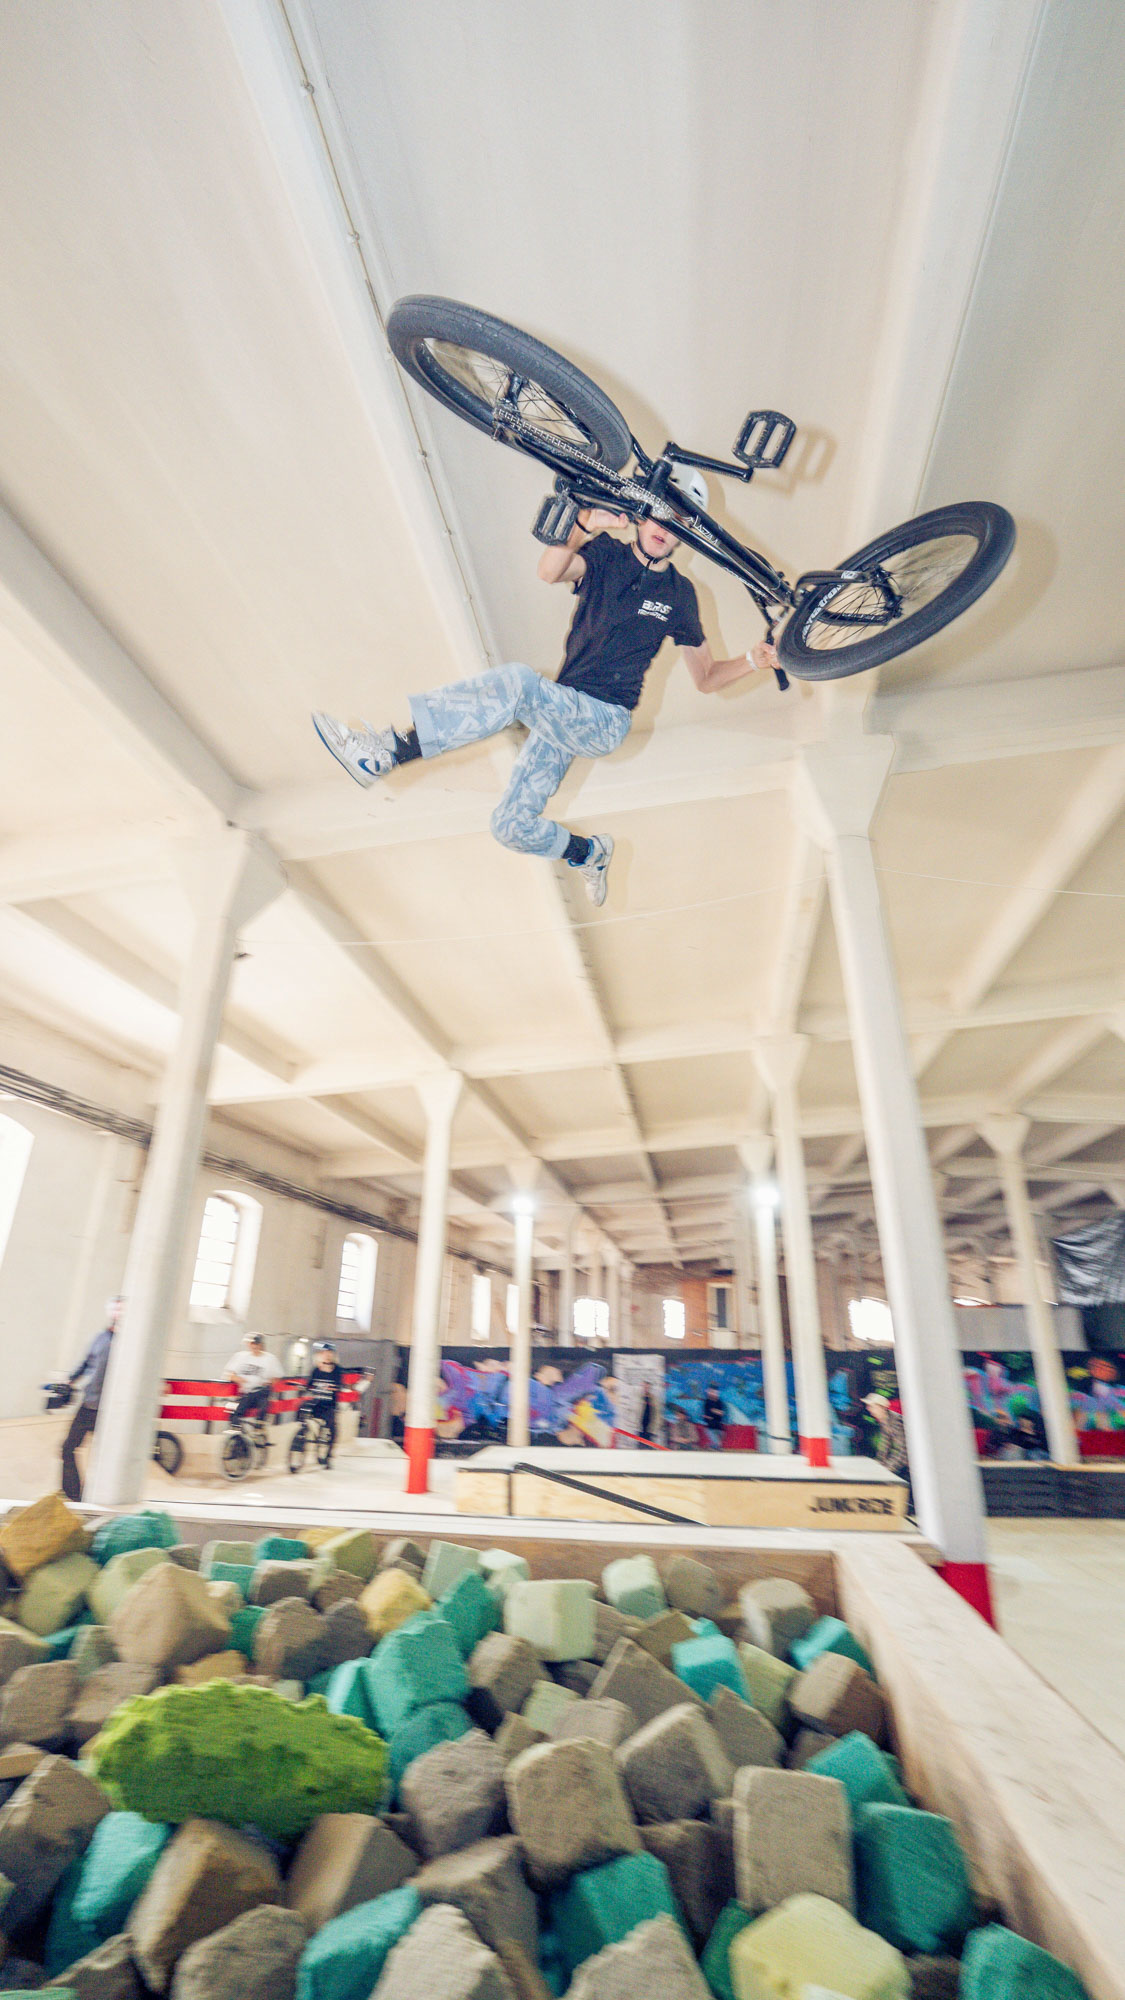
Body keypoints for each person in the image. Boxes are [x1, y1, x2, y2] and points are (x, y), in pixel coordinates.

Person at [312, 488, 779, 907]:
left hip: (604, 719)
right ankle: (589, 853)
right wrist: (585, 523)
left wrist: (753, 660)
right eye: (659, 514)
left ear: (685, 535)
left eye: (677, 523)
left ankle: (390, 752)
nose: (664, 528)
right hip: (563, 709)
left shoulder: (680, 594)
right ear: (642, 515)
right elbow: (549, 570)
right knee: (510, 825)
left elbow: (707, 677)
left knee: (519, 685)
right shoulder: (606, 555)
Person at [60, 1295, 122, 1501]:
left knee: (107, 1455)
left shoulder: (128, 1344)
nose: (117, 1313)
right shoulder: (100, 1338)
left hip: (111, 1410)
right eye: (115, 1309)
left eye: (121, 1309)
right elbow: (86, 1364)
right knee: (67, 1448)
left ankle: (103, 1495)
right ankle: (74, 1496)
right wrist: (69, 1380)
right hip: (89, 1405)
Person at [300, 1340, 345, 1467]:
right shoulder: (316, 1369)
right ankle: (300, 1434)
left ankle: (328, 1456)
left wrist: (332, 1387)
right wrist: (303, 1388)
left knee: (332, 1428)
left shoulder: (337, 1370)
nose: (327, 1355)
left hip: (328, 1405)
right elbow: (309, 1384)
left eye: (329, 1353)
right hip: (316, 1403)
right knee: (301, 1409)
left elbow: (339, 1385)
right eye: (324, 1353)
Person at [225, 1332, 280, 1428]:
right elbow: (230, 1374)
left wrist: (268, 1382)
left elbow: (276, 1377)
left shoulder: (269, 1358)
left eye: (257, 1344)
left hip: (261, 1391)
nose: (255, 1346)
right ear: (249, 1344)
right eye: (253, 1344)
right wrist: (238, 1379)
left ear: (261, 1345)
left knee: (262, 1411)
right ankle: (237, 1431)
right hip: (247, 1393)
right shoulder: (241, 1357)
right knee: (235, 1413)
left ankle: (259, 1430)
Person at [702, 1381, 726, 1447]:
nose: (711, 1393)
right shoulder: (707, 1402)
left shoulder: (719, 1402)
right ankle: (712, 1446)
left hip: (718, 1426)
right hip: (710, 1426)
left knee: (718, 1441)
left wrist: (714, 1411)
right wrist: (715, 1412)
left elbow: (721, 1413)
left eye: (713, 1392)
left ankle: (712, 1446)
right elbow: (706, 1415)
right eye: (710, 1391)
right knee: (716, 1443)